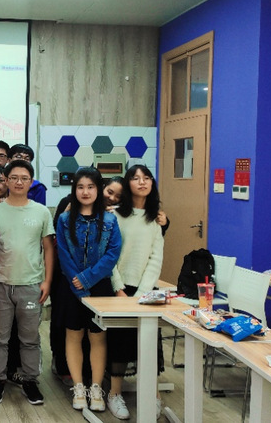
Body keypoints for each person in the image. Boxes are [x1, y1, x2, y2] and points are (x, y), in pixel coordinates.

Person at [0, 160, 54, 406]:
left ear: (31, 181)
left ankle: (30, 380)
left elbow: (48, 248)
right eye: (13, 178)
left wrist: (47, 281)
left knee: (30, 338)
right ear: (6, 180)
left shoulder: (41, 212)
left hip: (31, 284)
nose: (19, 182)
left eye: (24, 178)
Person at [56, 168, 122, 412]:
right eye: (80, 187)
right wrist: (77, 281)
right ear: (74, 189)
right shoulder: (65, 219)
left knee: (98, 337)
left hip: (100, 285)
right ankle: (78, 387)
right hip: (70, 285)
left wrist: (87, 278)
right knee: (74, 335)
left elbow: (113, 253)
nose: (85, 192)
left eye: (91, 187)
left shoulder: (110, 220)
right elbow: (62, 253)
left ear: (98, 189)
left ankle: (96, 387)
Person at [106, 164, 165, 420]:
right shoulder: (115, 215)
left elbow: (156, 258)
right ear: (127, 184)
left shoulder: (156, 219)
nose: (142, 182)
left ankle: (153, 395)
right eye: (136, 178)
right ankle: (114, 394)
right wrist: (119, 288)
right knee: (120, 342)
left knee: (149, 342)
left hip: (145, 292)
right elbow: (110, 255)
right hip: (119, 289)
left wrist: (142, 293)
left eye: (147, 178)